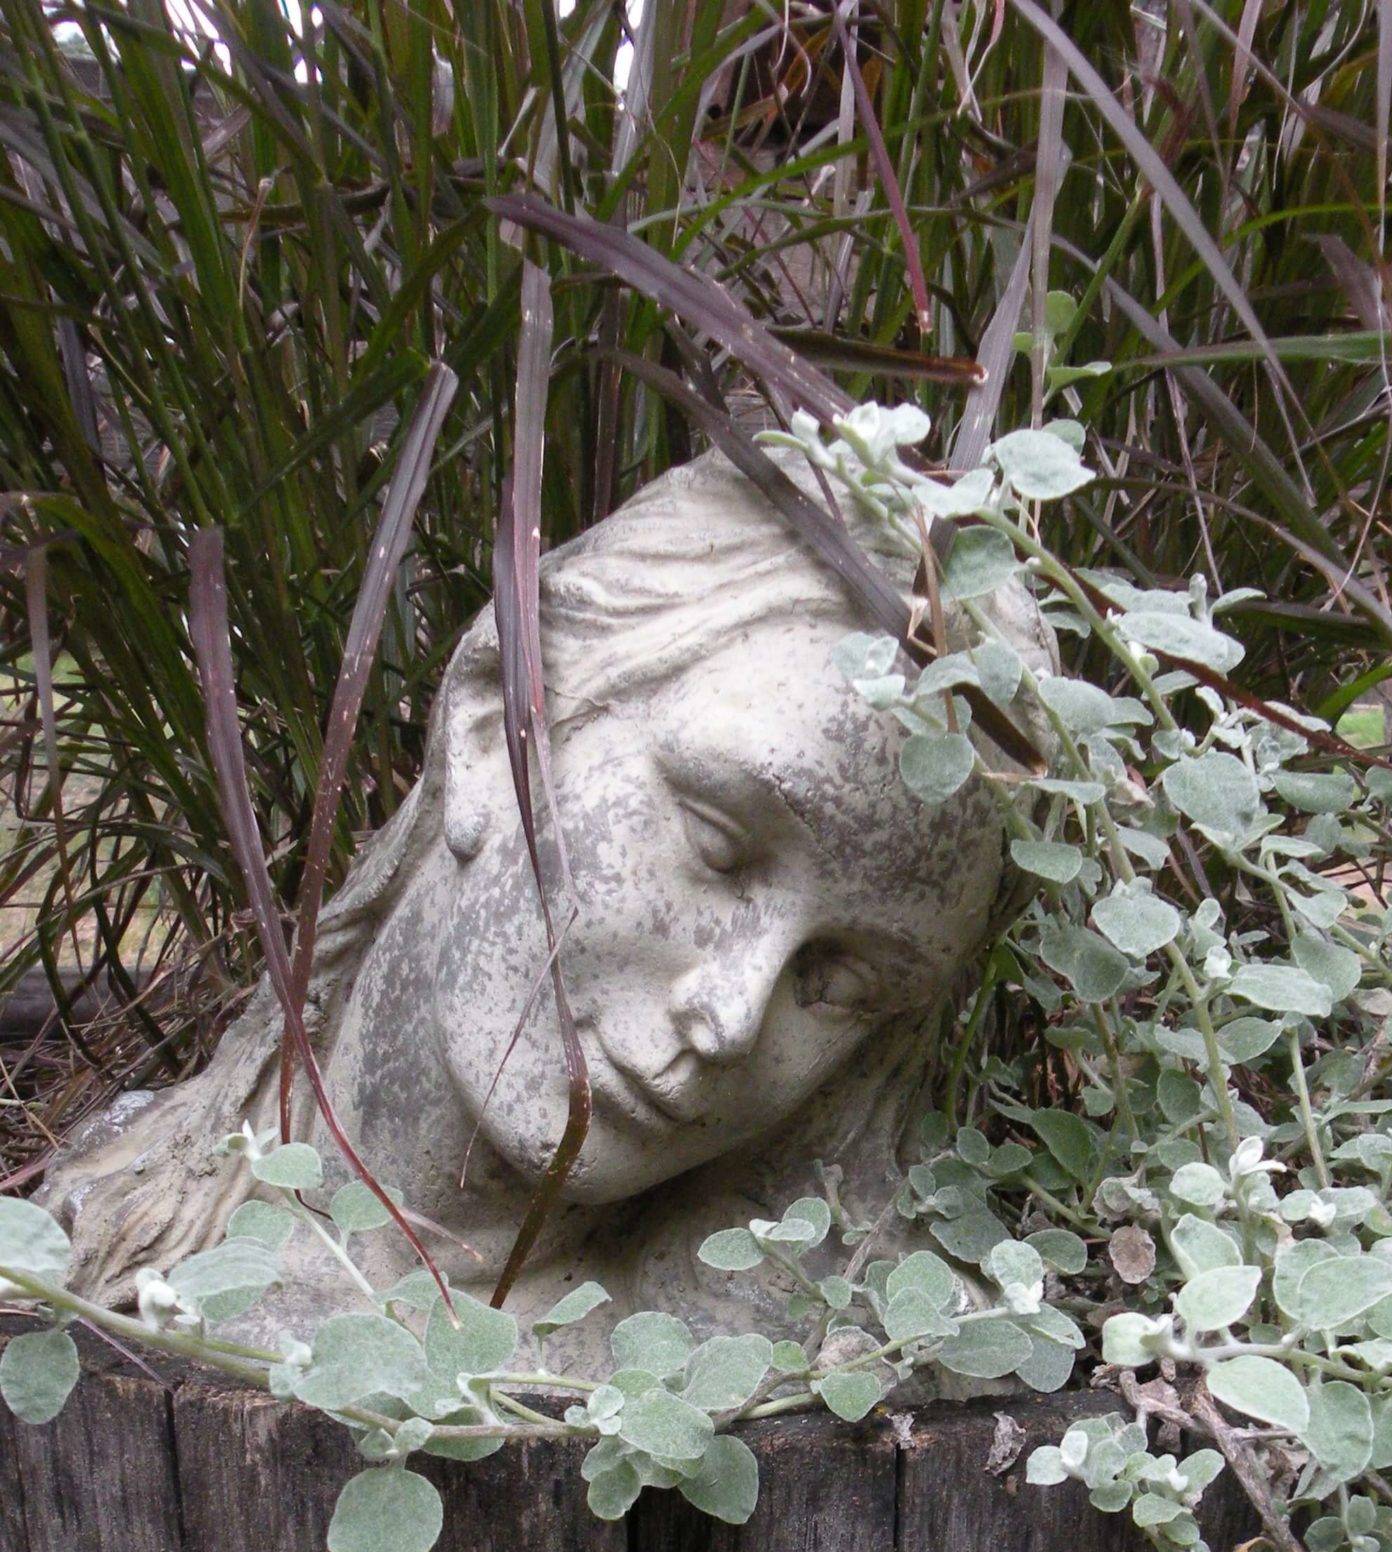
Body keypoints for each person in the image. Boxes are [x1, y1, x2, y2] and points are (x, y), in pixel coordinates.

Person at [43, 447, 1047, 1347]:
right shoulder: (95, 1247)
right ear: (494, 724)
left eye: (842, 983)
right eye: (718, 844)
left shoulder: (815, 1367)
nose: (732, 1016)